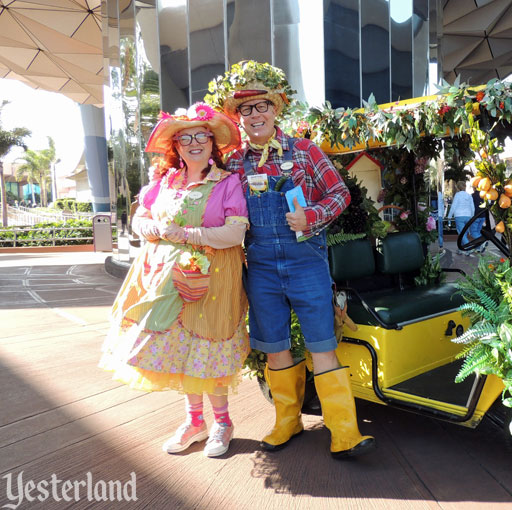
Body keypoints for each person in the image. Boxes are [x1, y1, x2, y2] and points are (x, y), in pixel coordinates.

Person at [217, 61, 375, 458]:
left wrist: (313, 216)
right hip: (262, 267)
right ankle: (287, 421)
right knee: (274, 346)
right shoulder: (234, 164)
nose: (254, 116)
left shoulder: (304, 150)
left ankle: (345, 431)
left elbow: (340, 193)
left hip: (306, 261)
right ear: (239, 119)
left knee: (322, 344)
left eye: (261, 107)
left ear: (276, 109)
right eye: (246, 110)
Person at [99, 103, 249, 457]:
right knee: (183, 349)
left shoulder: (227, 183)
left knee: (208, 347)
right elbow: (140, 220)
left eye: (201, 136)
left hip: (213, 279)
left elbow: (234, 233)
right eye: (186, 138)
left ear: (213, 144)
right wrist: (152, 228)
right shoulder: (164, 181)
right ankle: (195, 422)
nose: (194, 143)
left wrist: (184, 233)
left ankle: (223, 424)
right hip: (164, 277)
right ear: (177, 147)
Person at [446, 181, 474, 255]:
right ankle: (460, 249)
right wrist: (472, 216)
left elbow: (453, 206)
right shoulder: (469, 196)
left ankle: (469, 247)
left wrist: (449, 216)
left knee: (461, 234)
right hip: (468, 216)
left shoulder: (457, 195)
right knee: (464, 233)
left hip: (459, 216)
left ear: (457, 187)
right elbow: (472, 207)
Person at [469, 184, 487, 253]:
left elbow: (471, 206)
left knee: (473, 232)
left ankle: (482, 242)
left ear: (474, 188)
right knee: (478, 232)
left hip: (476, 216)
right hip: (483, 216)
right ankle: (478, 248)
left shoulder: (473, 196)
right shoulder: (483, 195)